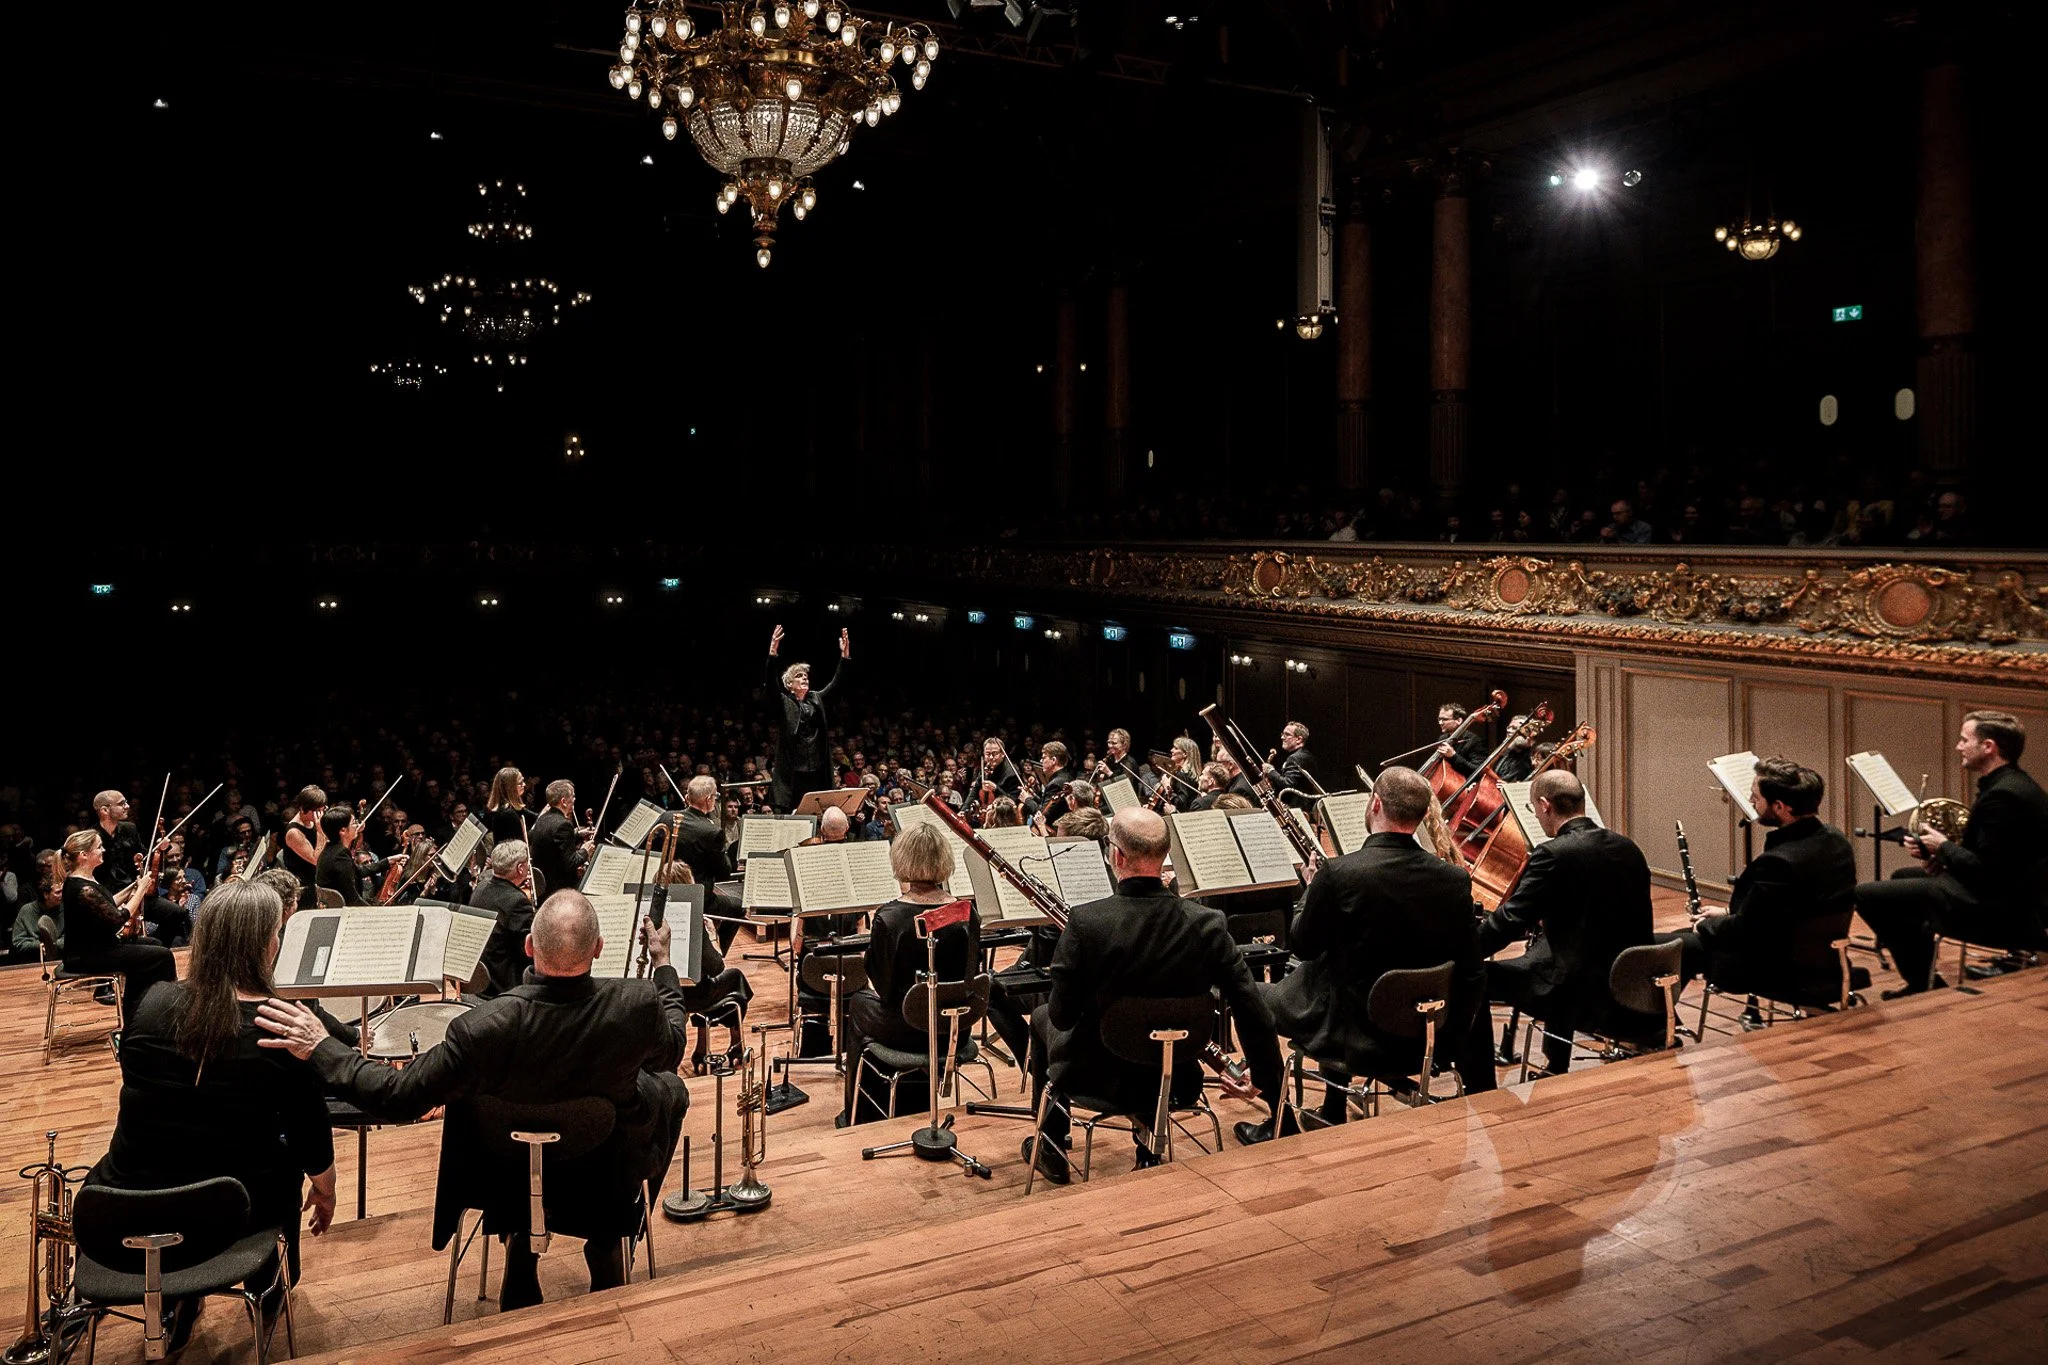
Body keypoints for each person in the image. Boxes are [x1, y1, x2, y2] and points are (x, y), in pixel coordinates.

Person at [257, 891, 690, 1312]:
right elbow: (671, 1051)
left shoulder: (483, 1026)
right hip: (601, 1165)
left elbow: (397, 1097)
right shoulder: (637, 1004)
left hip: (506, 1170)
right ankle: (610, 1233)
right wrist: (663, 964)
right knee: (669, 1091)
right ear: (598, 948)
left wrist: (321, 1044)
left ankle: (518, 1236)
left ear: (527, 946)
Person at [86, 881, 340, 1351]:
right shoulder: (276, 1027)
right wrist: (326, 1192)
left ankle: (175, 1298)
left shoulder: (149, 1006)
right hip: (231, 1215)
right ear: (266, 943)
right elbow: (310, 1133)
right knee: (270, 1159)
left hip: (126, 1207)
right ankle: (266, 1288)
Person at [1023, 808, 1283, 1183]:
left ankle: (1051, 1143)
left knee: (1042, 1017)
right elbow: (1249, 1003)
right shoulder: (1206, 922)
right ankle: (1147, 1144)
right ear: (1165, 855)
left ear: (1117, 856)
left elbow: (1063, 1017)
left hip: (1098, 1077)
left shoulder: (1087, 923)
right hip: (1176, 1075)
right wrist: (1262, 1073)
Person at [1240, 767, 1481, 1141]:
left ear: (1375, 804)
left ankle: (1279, 1120)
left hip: (1350, 1031)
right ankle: (1333, 1106)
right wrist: (1451, 1036)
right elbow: (1471, 969)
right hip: (1423, 1031)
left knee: (1248, 994)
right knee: (1344, 968)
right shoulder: (1453, 878)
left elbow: (1302, 946)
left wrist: (1310, 888)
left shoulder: (1340, 874)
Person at [1473, 771, 1654, 1078]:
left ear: (1545, 806)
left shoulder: (1553, 854)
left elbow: (1512, 921)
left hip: (1577, 990)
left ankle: (1480, 1082)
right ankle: (1555, 1063)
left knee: (1474, 977)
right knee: (1549, 951)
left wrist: (1467, 948)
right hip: (1627, 979)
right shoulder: (1628, 847)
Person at [1856, 711, 2048, 996]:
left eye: (1964, 740)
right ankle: (1922, 978)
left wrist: (1942, 846)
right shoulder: (2013, 783)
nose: (1958, 746)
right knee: (1901, 878)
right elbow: (1994, 858)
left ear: (1988, 747)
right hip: (2006, 892)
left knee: (1867, 895)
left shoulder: (2003, 795)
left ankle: (1923, 984)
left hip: (2000, 910)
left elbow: (1987, 871)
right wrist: (1936, 857)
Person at [1657, 758, 1856, 994]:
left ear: (1781, 807)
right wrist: (1727, 913)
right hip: (1824, 956)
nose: (1751, 802)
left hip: (1777, 967)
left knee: (1665, 948)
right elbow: (1790, 907)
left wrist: (1707, 925)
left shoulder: (1780, 861)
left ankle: (1653, 1025)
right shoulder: (1836, 840)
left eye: (1756, 797)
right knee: (1682, 941)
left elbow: (1745, 930)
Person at [839, 825, 981, 1125]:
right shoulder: (968, 913)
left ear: (901, 860)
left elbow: (883, 987)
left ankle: (859, 1111)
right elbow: (971, 973)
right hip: (957, 1028)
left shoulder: (889, 917)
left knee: (857, 1003)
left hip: (908, 1029)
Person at [59, 829, 177, 1020]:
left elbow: (108, 903)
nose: (103, 849)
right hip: (89, 954)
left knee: (154, 944)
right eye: (99, 847)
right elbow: (117, 918)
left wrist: (134, 887)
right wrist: (140, 892)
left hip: (100, 947)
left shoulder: (84, 880)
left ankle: (136, 1009)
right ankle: (164, 1009)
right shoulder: (83, 888)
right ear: (84, 855)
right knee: (162, 955)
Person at [765, 624, 850, 812]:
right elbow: (771, 685)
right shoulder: (784, 702)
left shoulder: (815, 698)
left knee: (817, 812)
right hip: (794, 773)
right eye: (799, 676)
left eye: (806, 676)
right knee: (794, 814)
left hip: (817, 770)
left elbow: (837, 685)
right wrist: (773, 653)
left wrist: (844, 657)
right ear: (789, 684)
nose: (804, 678)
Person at [674, 776, 745, 952]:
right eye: (715, 797)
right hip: (700, 898)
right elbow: (724, 873)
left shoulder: (667, 817)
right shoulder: (711, 830)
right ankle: (716, 953)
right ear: (708, 800)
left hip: (669, 891)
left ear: (687, 797)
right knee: (737, 907)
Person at [473, 839, 538, 997]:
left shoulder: (481, 887)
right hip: (505, 985)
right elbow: (528, 951)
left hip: (479, 980)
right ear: (520, 868)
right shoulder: (518, 902)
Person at [529, 779, 594, 900]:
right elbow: (571, 863)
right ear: (563, 801)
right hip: (559, 889)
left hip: (544, 886)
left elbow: (550, 839)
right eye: (573, 796)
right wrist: (585, 850)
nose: (574, 799)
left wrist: (577, 835)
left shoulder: (542, 819)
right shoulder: (563, 825)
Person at [278, 786, 327, 910]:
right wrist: (321, 831)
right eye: (317, 811)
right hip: (304, 886)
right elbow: (316, 859)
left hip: (317, 878)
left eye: (322, 809)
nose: (321, 814)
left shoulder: (313, 822)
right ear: (303, 808)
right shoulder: (293, 832)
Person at [315, 806, 368, 906]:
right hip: (343, 912)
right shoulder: (340, 855)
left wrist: (388, 861)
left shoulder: (330, 849)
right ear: (343, 831)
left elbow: (358, 871)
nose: (357, 826)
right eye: (353, 823)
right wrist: (376, 911)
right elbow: (352, 899)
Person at [1262, 721, 1318, 805]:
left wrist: (1271, 771)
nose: (1282, 737)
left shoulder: (1295, 758)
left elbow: (1288, 785)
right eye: (1282, 734)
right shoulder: (1305, 754)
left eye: (1287, 735)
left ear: (1299, 739)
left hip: (1298, 808)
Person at [1432, 704, 1490, 778]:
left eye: (1445, 719)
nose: (1440, 723)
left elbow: (1478, 770)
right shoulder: (1443, 739)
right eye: (1439, 719)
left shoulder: (1475, 741)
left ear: (1459, 720)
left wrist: (1453, 756)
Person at [484, 767, 531, 848]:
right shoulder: (506, 813)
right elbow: (521, 841)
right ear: (510, 787)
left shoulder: (512, 808)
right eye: (520, 783)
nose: (524, 784)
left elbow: (534, 817)